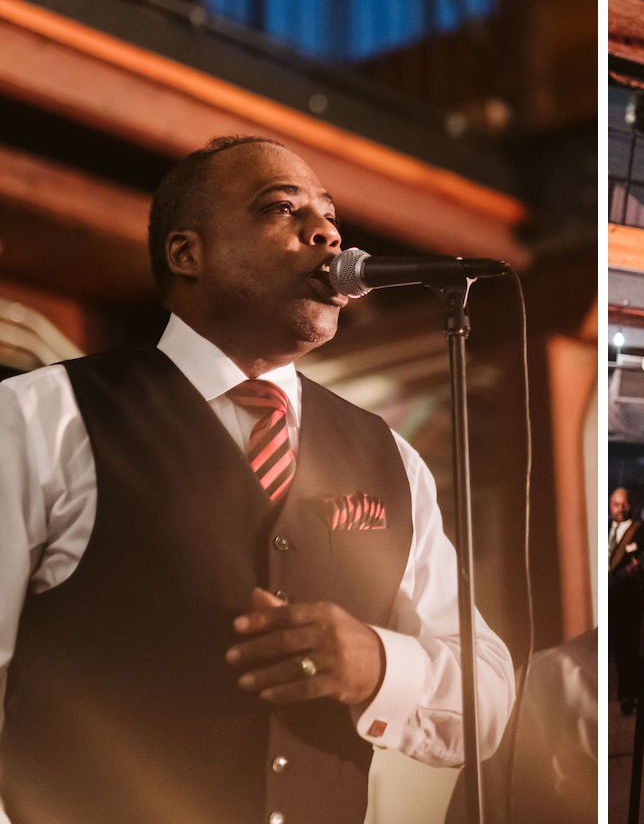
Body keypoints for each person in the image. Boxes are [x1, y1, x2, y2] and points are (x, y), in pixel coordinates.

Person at [0, 136, 515, 824]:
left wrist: (380, 666)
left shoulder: (390, 456)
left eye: (330, 214)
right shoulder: (40, 417)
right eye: (283, 207)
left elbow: (490, 696)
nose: (327, 231)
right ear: (187, 253)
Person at [608, 486, 644, 714]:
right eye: (616, 503)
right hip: (608, 597)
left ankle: (629, 694)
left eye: (625, 503)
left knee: (629, 646)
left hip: (629, 598)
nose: (620, 508)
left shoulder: (640, 530)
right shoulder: (604, 529)